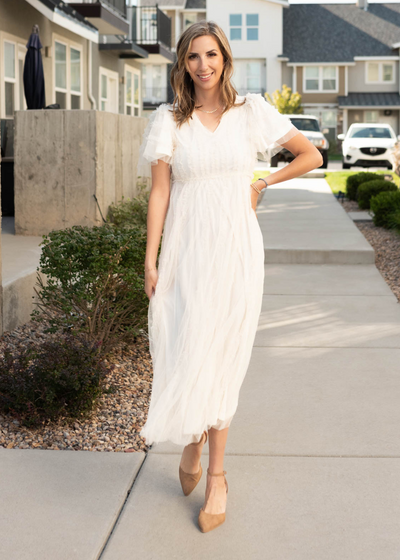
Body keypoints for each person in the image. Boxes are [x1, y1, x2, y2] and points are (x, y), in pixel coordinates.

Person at [138, 20, 322, 533]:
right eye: (193, 56)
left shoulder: (251, 113)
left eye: (211, 55)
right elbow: (160, 193)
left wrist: (263, 181)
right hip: (185, 250)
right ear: (183, 63)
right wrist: (150, 258)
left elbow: (311, 155)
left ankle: (217, 476)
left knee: (224, 353)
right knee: (188, 347)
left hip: (236, 250)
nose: (203, 65)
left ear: (225, 59)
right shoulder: (169, 120)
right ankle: (192, 441)